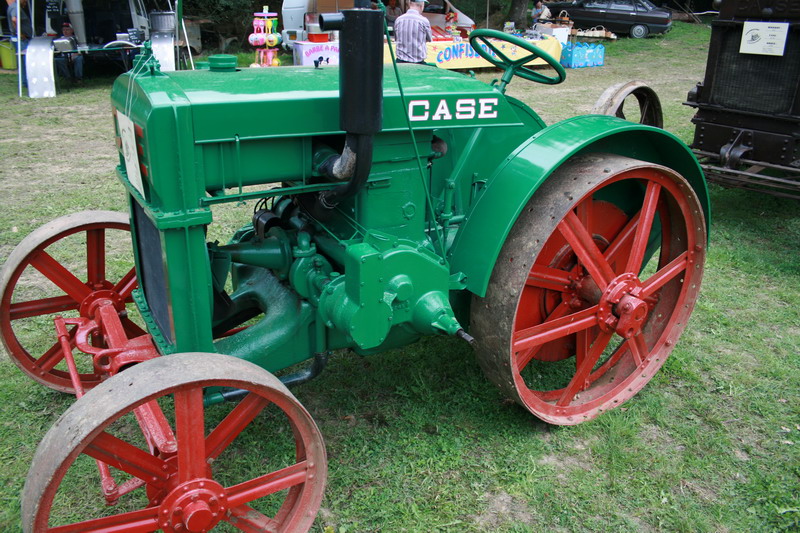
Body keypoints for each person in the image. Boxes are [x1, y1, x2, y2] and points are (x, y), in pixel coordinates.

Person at [393, 0, 432, 64]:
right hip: (418, 62)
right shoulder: (424, 21)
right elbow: (429, 39)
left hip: (400, 62)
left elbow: (396, 38)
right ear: (422, 6)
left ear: (409, 4)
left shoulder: (398, 20)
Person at [6, 0, 32, 86]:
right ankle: (26, 81)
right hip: (21, 39)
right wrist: (19, 33)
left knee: (22, 61)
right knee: (25, 60)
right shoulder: (15, 7)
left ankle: (24, 81)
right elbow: (14, 19)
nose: (26, 2)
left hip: (19, 38)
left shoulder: (14, 6)